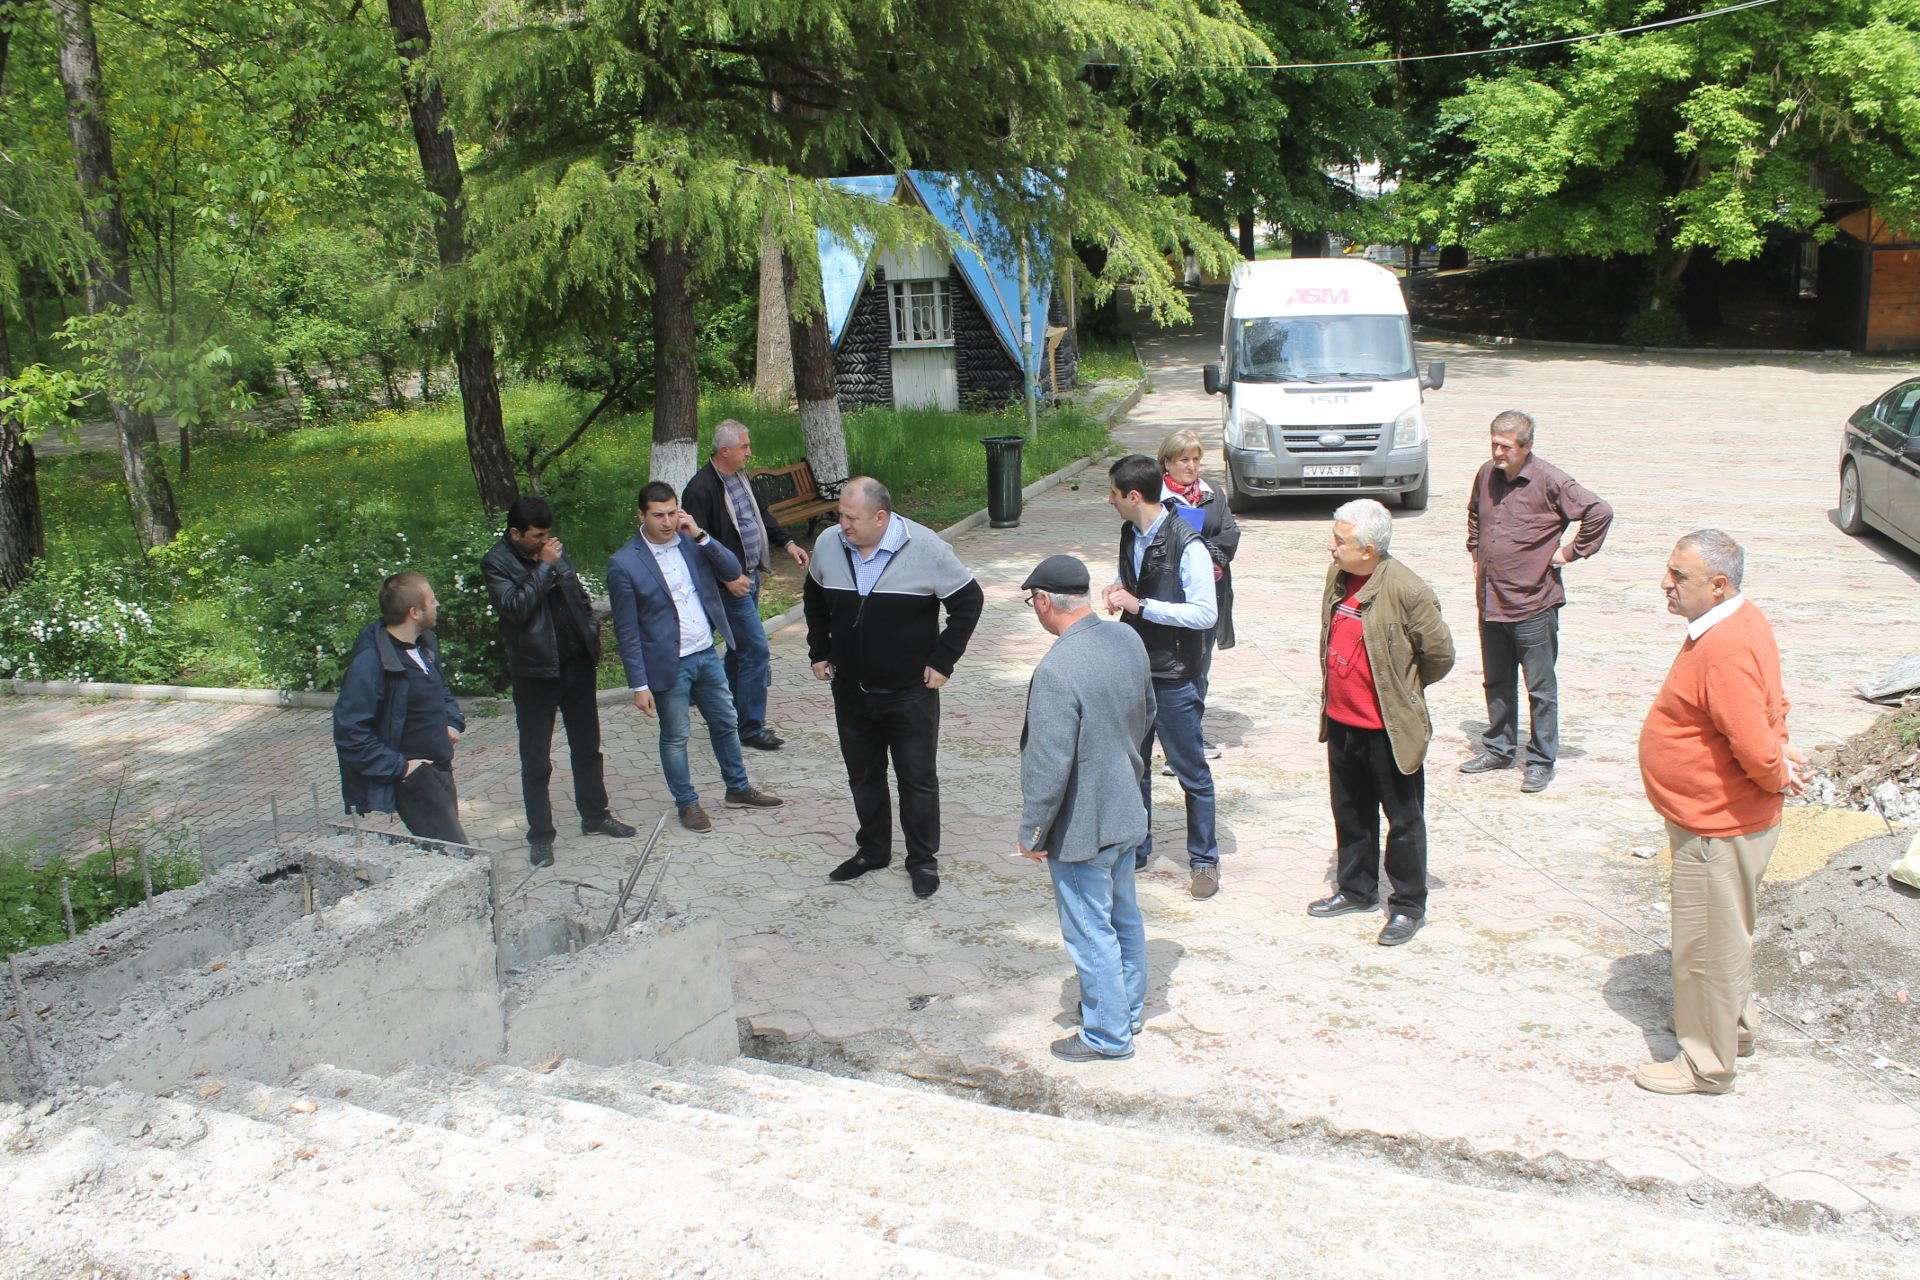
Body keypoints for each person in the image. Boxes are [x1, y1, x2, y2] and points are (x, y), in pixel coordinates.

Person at [1635, 530, 1806, 1096]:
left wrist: (1777, 770)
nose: (1666, 583)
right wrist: (1778, 755)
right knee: (1727, 934)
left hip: (1718, 824)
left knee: (1706, 944)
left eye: (1678, 575)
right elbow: (1771, 707)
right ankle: (1731, 1029)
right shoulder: (1738, 621)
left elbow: (1754, 742)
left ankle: (1706, 1063)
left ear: (1718, 584)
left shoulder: (1725, 646)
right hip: (1723, 820)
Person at [804, 476, 984, 898]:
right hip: (850, 690)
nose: (843, 525)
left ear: (881, 517)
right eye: (840, 515)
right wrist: (819, 650)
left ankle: (922, 860)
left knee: (917, 780)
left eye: (852, 518)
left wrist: (943, 661)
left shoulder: (926, 547)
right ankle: (872, 851)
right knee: (863, 776)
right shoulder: (829, 544)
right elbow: (813, 597)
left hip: (909, 693)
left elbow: (968, 602)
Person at [1014, 555, 1157, 1063]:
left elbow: (1047, 766)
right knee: (1124, 918)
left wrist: (1033, 831)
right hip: (1126, 808)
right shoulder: (1127, 639)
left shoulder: (1057, 669)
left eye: (1032, 601)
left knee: (1090, 931)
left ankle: (1107, 1034)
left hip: (1080, 827)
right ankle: (1127, 1009)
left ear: (1044, 601)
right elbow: (1147, 713)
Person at [1309, 499, 1454, 946]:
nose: (1331, 547)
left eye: (1340, 540)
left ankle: (1408, 906)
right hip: (1342, 721)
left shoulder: (1408, 590)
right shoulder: (1338, 576)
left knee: (1403, 820)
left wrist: (1401, 690)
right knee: (1350, 810)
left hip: (1387, 729)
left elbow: (1439, 656)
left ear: (1368, 549)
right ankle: (1357, 890)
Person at [606, 482, 785, 833]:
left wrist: (701, 534)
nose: (667, 522)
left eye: (672, 513)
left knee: (726, 722)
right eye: (658, 515)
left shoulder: (690, 541)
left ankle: (738, 788)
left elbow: (732, 570)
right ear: (641, 515)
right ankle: (687, 803)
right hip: (668, 663)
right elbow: (627, 631)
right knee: (676, 736)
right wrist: (639, 685)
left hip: (705, 652)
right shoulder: (624, 564)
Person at [1462, 410, 1614, 794]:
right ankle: (1498, 749)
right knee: (1497, 681)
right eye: (1494, 444)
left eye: (1506, 446)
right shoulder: (1486, 474)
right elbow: (1475, 515)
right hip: (1491, 600)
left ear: (1527, 446)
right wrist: (1477, 553)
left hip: (1533, 603)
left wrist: (1569, 553)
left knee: (1540, 690)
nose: (1498, 452)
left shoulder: (1550, 479)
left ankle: (1541, 761)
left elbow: (1599, 511)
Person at [483, 496, 636, 868]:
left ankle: (595, 815)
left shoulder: (553, 554)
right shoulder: (496, 563)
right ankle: (540, 836)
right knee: (536, 759)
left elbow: (578, 597)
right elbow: (516, 609)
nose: (545, 541)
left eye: (547, 534)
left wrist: (590, 630)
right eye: (537, 536)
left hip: (576, 664)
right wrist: (544, 568)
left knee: (587, 747)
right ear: (515, 533)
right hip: (536, 673)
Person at [1102, 453, 1220, 899]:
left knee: (1192, 772)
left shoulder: (1187, 544)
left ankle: (1204, 860)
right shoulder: (1130, 532)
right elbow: (1138, 579)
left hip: (1174, 675)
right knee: (1135, 766)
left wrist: (1142, 606)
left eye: (1113, 493)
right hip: (1134, 667)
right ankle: (1137, 848)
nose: (1109, 500)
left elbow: (1204, 613)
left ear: (1133, 496)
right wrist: (1119, 587)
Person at [680, 419, 813, 750]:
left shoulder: (740, 478)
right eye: (744, 446)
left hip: (750, 577)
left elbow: (761, 516)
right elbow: (695, 545)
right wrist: (726, 579)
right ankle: (750, 727)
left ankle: (727, 719)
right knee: (755, 650)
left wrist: (788, 544)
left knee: (739, 652)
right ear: (725, 451)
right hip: (730, 586)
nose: (749, 452)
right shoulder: (700, 489)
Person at [332, 572, 469, 847]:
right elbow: (350, 734)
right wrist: (402, 767)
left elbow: (440, 691)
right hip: (414, 780)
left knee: (444, 856)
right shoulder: (371, 662)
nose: (437, 604)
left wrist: (452, 721)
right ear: (414, 612)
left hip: (441, 769)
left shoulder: (425, 645)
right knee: (458, 856)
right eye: (432, 600)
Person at [1157, 428, 1238, 762]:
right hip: (1169, 597)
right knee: (1174, 670)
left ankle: (1191, 738)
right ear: (1167, 462)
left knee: (1200, 668)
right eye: (1183, 460)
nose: (1191, 466)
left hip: (1209, 596)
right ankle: (1172, 742)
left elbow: (1230, 534)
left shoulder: (1212, 493)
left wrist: (1202, 554)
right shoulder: (1156, 496)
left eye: (1195, 459)